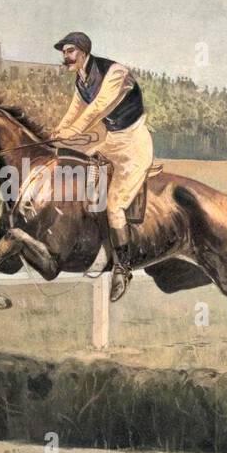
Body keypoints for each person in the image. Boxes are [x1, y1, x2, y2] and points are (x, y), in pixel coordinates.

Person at [49, 31, 153, 301]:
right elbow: (74, 110)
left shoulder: (114, 72)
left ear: (83, 51)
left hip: (134, 145)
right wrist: (56, 133)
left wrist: (72, 132)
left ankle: (123, 267)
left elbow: (97, 109)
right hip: (112, 142)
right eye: (64, 52)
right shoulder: (81, 79)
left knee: (115, 203)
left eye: (70, 51)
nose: (66, 56)